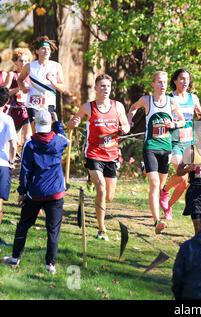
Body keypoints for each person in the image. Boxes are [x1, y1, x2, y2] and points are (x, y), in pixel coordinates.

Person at [2, 109, 68, 274]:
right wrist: (57, 122)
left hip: (35, 193)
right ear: (49, 124)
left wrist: (22, 192)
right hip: (55, 193)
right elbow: (64, 137)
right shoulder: (59, 141)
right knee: (53, 230)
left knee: (24, 225)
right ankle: (50, 264)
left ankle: (16, 257)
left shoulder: (29, 145)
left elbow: (25, 171)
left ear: (35, 124)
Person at [68, 74, 130, 241]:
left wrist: (124, 127)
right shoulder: (88, 107)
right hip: (94, 153)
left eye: (108, 86)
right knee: (101, 189)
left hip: (112, 155)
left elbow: (126, 125)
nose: (105, 89)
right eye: (102, 86)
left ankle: (91, 180)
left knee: (109, 196)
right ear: (95, 88)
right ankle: (101, 229)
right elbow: (72, 122)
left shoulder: (118, 107)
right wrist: (72, 123)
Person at [127, 71, 185, 234]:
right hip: (150, 147)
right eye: (159, 82)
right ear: (153, 84)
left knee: (159, 186)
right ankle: (156, 221)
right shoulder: (147, 100)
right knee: (153, 184)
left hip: (165, 149)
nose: (163, 85)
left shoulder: (171, 102)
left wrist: (174, 124)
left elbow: (182, 120)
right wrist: (130, 118)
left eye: (165, 82)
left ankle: (159, 212)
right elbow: (133, 107)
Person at [160, 68, 201, 220]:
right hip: (173, 142)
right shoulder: (168, 98)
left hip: (189, 142)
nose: (185, 82)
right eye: (181, 78)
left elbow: (200, 115)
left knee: (185, 183)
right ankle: (164, 191)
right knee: (182, 175)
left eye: (187, 79)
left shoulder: (194, 98)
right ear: (175, 81)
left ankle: (168, 206)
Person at [17, 36, 65, 128]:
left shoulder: (56, 66)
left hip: (49, 102)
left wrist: (53, 82)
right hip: (33, 103)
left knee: (47, 130)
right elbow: (20, 79)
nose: (46, 51)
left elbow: (63, 88)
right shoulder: (29, 66)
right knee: (36, 130)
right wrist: (23, 88)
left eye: (48, 49)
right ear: (37, 51)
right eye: (43, 48)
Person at [8, 48, 32, 157]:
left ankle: (25, 158)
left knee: (28, 137)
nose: (24, 63)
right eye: (21, 60)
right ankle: (11, 161)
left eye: (26, 61)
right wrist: (19, 88)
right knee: (14, 140)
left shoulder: (31, 76)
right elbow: (5, 93)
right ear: (15, 61)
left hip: (27, 110)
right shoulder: (11, 75)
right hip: (14, 111)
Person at [0, 86, 17, 226]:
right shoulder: (7, 119)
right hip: (3, 163)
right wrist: (12, 161)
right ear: (6, 101)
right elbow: (13, 144)